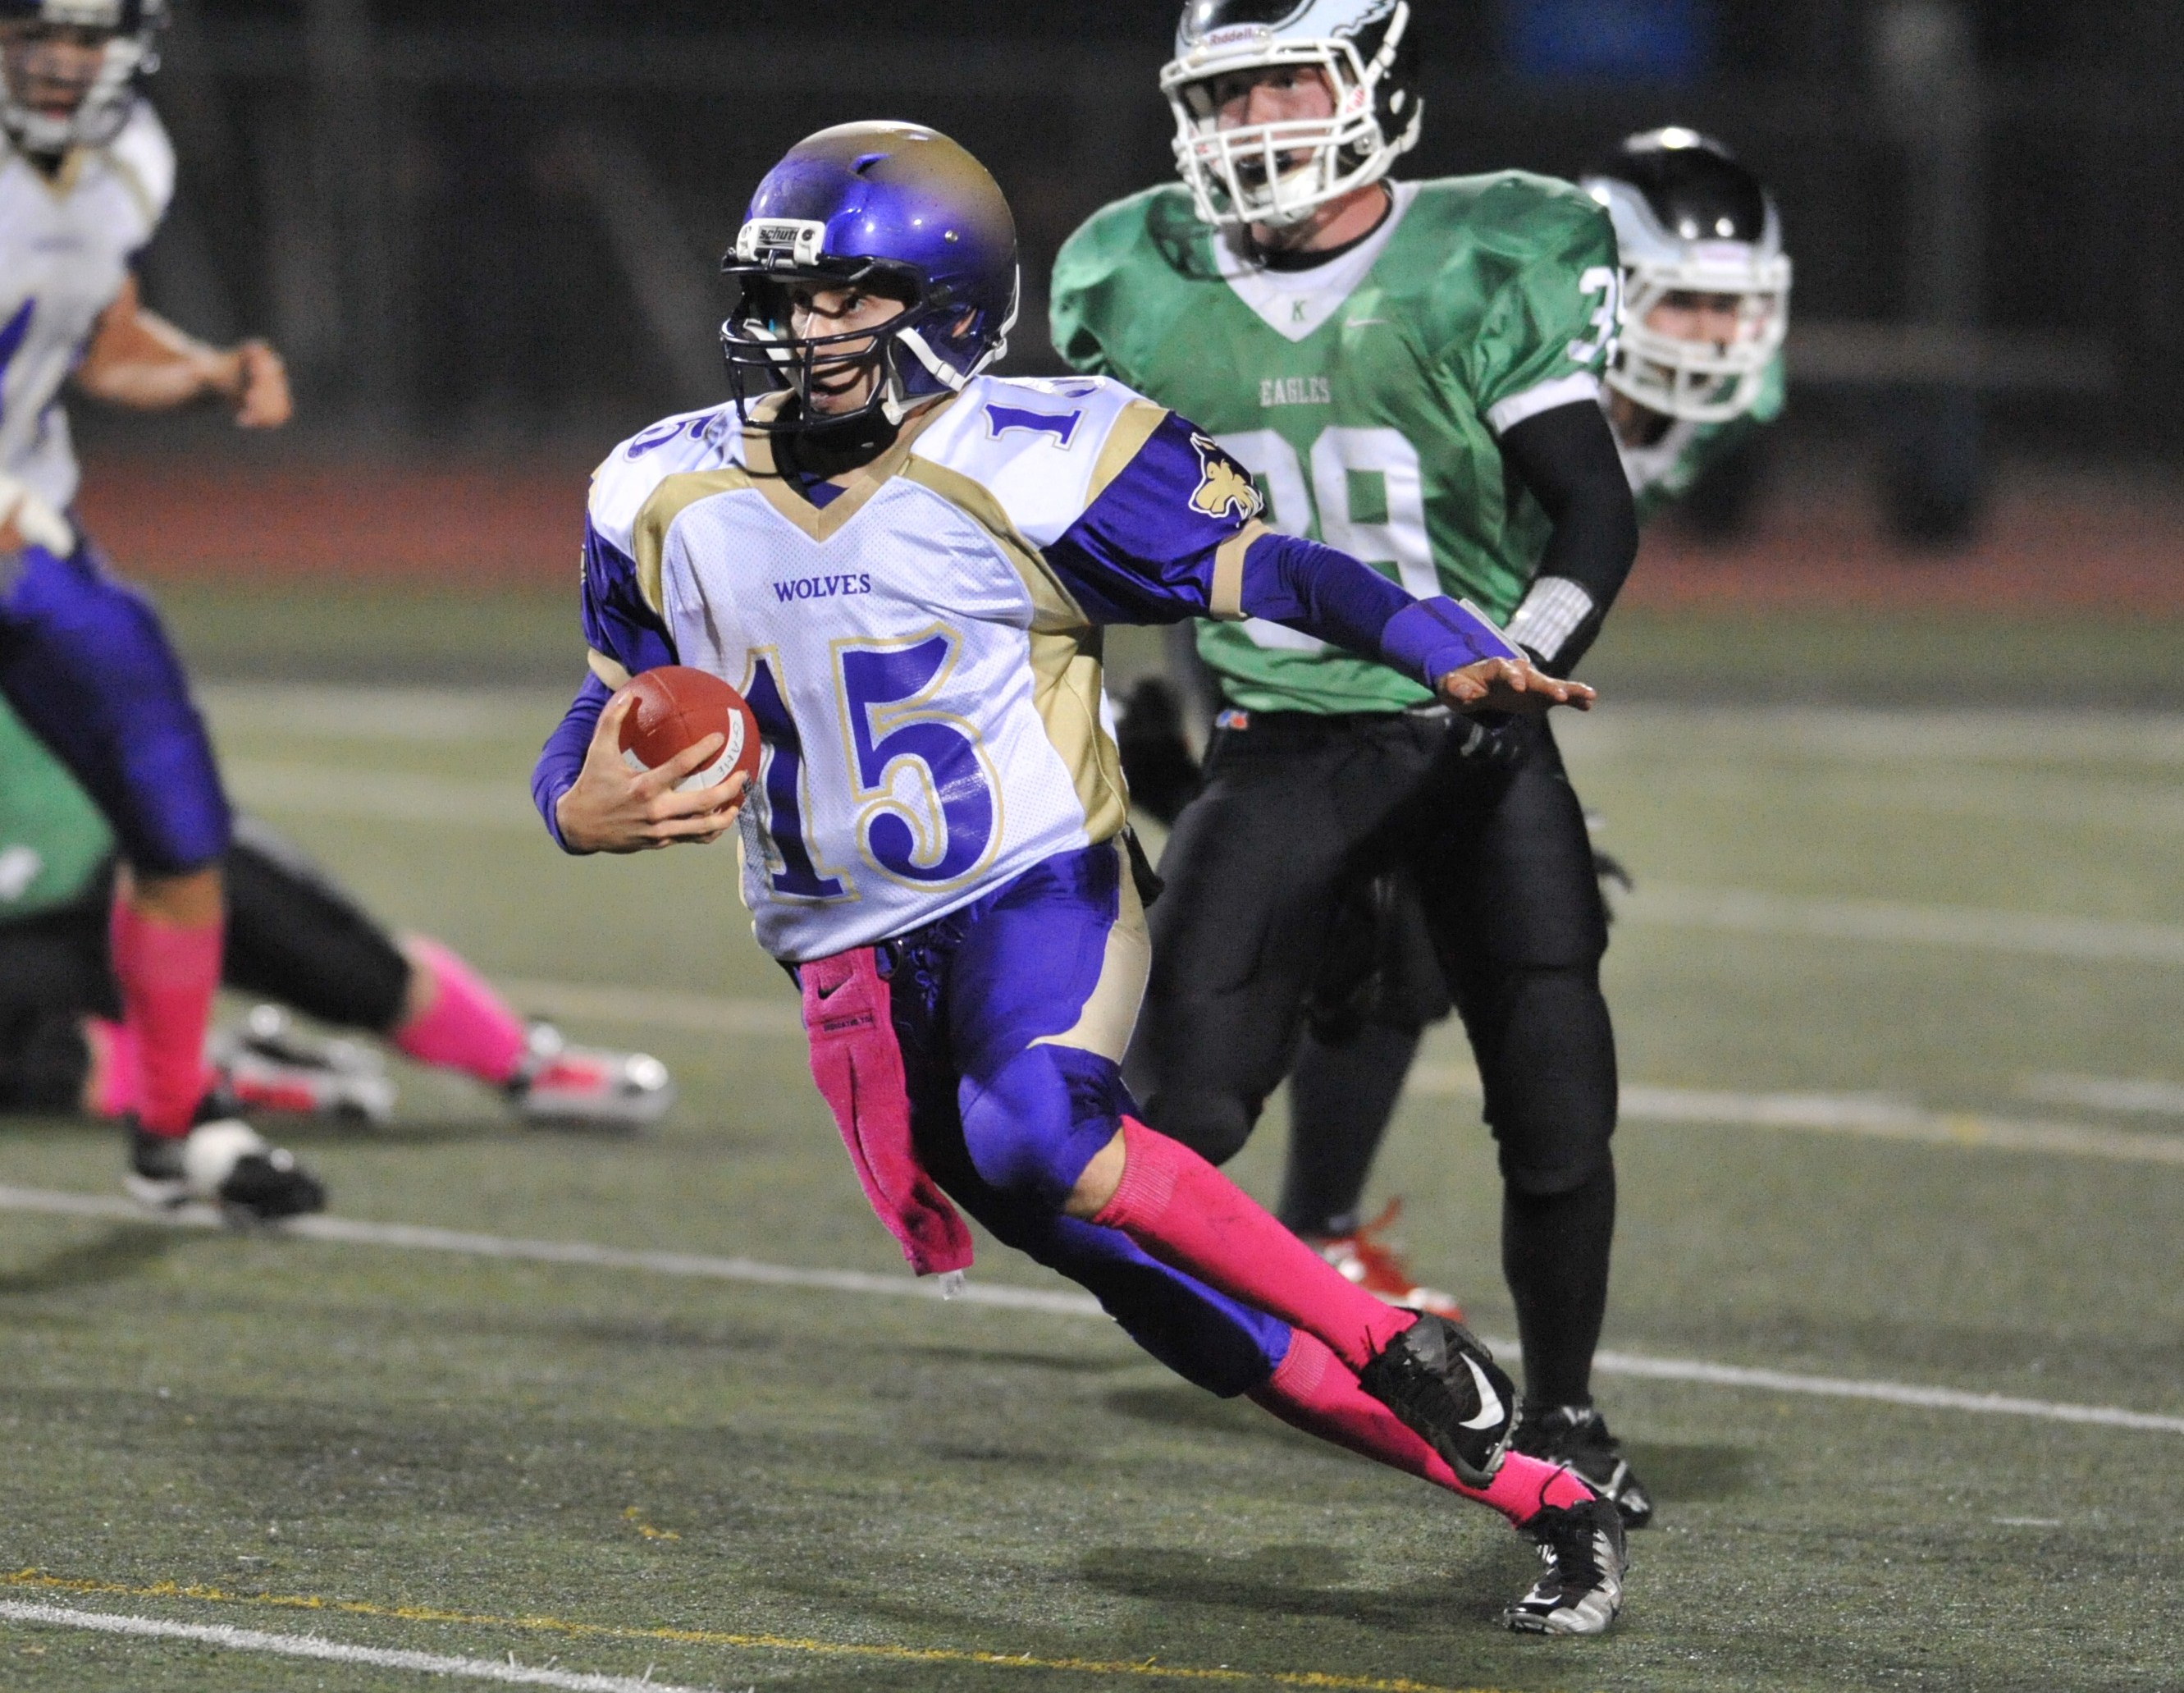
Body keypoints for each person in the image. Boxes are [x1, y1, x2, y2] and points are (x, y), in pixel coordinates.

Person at [533, 120, 1628, 1636]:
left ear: (953, 307)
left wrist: (1433, 637)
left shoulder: (1040, 457)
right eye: (782, 301)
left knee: (1040, 1124)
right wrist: (573, 808)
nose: (803, 336)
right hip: (847, 959)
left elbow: (1282, 573)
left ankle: (1390, 1336)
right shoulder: (657, 489)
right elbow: (608, 715)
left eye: (846, 299)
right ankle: (1540, 1502)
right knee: (1166, 1303)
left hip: (1030, 894)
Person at [1050, 0, 1655, 1526]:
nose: (1257, 118)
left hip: (1470, 725)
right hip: (1281, 730)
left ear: (1368, 80)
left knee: (1553, 1096)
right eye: (1229, 90)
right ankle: (1326, 1344)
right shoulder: (1136, 275)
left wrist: (1521, 659)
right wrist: (1121, 734)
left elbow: (1591, 506)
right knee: (1163, 1113)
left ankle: (1567, 1407)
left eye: (1285, 81)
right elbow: (1085, 542)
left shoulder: (1492, 250)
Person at [1217, 126, 1795, 1522]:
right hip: (1302, 676)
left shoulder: (1689, 410)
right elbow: (1297, 536)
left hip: (1458, 698)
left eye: (1729, 305)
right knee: (1367, 959)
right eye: (1679, 300)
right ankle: (1282, 1240)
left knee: (1435, 968)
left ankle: (1321, 1233)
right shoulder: (1496, 346)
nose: (1707, 334)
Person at [0, 0, 329, 1218]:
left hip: (30, 543)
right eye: (33, 28)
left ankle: (175, 1117)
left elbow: (98, 334)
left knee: (177, 815)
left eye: (85, 36)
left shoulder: (130, 156)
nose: (56, 58)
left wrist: (201, 373)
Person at [0, 697, 675, 1130]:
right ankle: (223, 1076)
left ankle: (516, 1061)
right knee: (31, 1051)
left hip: (108, 848)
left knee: (321, 945)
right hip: (22, 935)